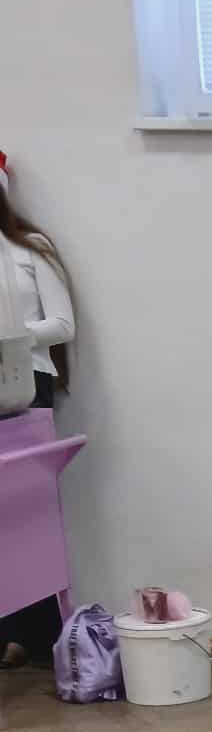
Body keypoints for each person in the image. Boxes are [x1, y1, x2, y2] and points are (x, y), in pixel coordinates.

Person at [0, 152, 75, 670]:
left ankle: (41, 632)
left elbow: (63, 325)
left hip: (26, 385)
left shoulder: (30, 248)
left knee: (29, 511)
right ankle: (8, 635)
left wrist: (12, 338)